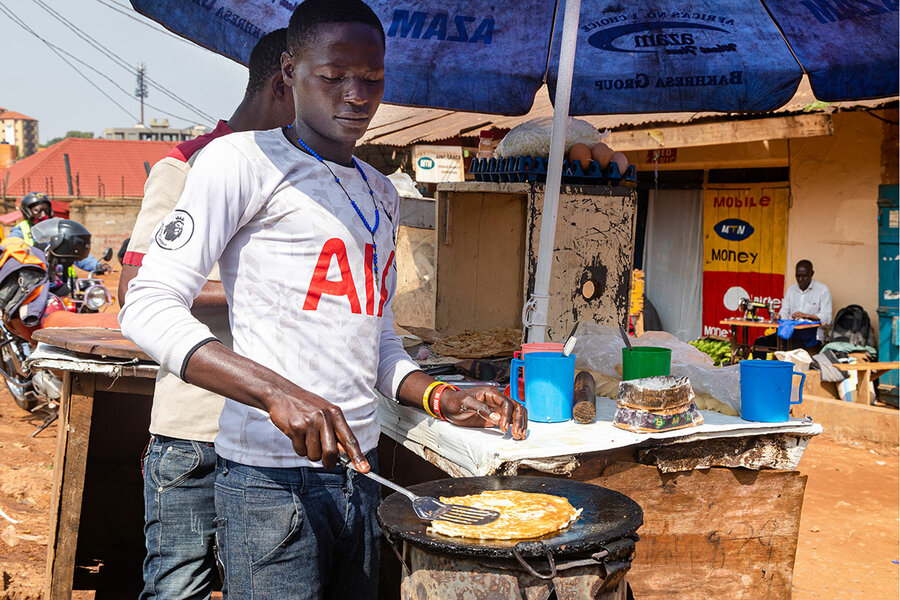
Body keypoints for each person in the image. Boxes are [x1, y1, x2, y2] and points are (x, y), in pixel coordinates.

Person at [119, 2, 527, 598]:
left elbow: (377, 340)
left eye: (372, 78)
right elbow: (146, 303)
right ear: (289, 70)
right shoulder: (242, 161)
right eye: (333, 76)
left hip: (361, 475)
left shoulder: (382, 193)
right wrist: (275, 392)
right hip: (268, 484)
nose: (356, 95)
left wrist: (441, 395)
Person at [118, 28, 295, 600]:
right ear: (282, 83)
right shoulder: (188, 165)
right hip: (197, 426)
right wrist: (262, 291)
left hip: (274, 433)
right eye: (321, 85)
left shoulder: (301, 172)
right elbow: (136, 288)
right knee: (178, 588)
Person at [11, 192, 106, 274]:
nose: (43, 215)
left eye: (46, 210)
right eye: (38, 211)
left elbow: (74, 250)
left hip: (63, 279)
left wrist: (97, 266)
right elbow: (12, 246)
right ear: (27, 212)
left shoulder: (58, 228)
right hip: (35, 279)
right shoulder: (20, 230)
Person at [755, 259, 833, 354]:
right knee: (760, 343)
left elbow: (827, 318)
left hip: (811, 337)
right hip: (790, 334)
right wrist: (779, 316)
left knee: (792, 347)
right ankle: (760, 367)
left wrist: (807, 316)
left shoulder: (822, 290)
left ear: (812, 274)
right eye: (798, 276)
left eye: (804, 276)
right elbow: (784, 312)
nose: (800, 279)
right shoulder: (791, 290)